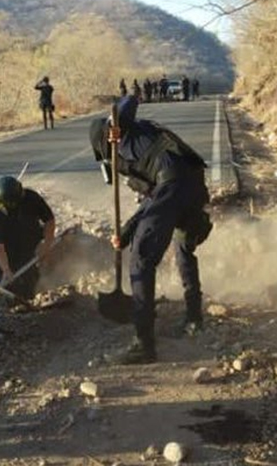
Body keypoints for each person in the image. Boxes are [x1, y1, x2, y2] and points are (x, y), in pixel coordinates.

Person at [91, 96, 212, 364]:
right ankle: (194, 319)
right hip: (191, 184)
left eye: (105, 155)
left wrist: (114, 124)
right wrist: (126, 231)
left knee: (141, 259)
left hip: (175, 186)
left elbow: (129, 101)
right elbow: (153, 198)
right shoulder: (142, 142)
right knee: (183, 247)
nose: (109, 161)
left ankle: (143, 345)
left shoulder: (124, 132)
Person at [0, 176, 56, 300]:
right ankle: (4, 303)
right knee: (5, 288)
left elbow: (49, 220)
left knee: (30, 282)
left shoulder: (31, 198)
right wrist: (6, 270)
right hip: (8, 251)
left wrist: (47, 245)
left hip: (29, 243)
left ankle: (30, 298)